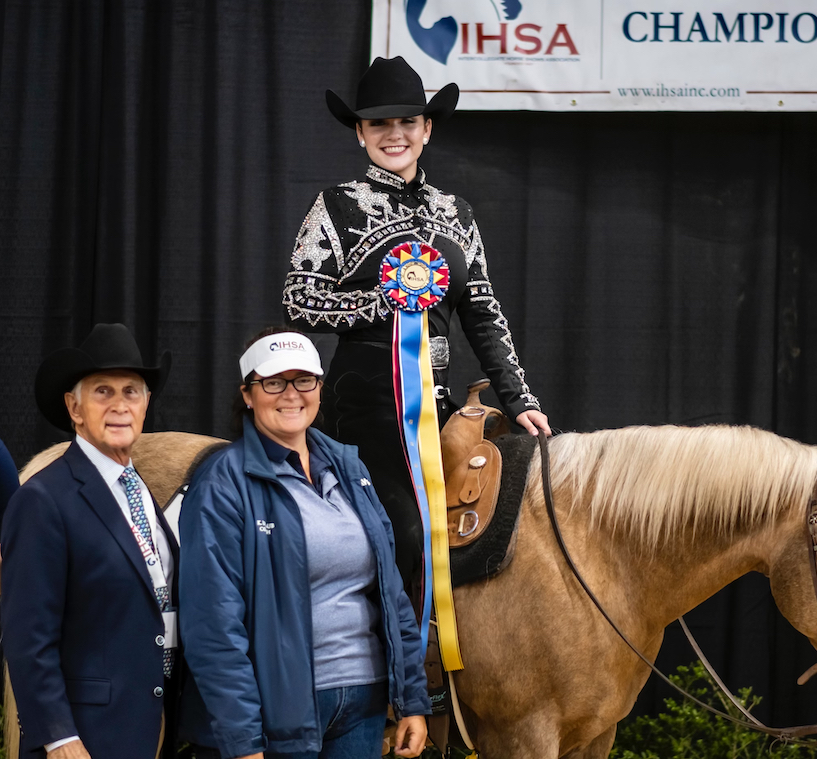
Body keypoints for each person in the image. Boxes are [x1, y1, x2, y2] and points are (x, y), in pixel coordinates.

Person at [282, 56, 550, 591]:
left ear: (427, 129)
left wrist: (520, 401)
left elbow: (483, 315)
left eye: (407, 121)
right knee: (406, 533)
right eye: (379, 123)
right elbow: (299, 300)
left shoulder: (458, 214)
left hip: (438, 409)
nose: (394, 134)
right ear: (360, 133)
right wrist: (385, 301)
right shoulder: (337, 207)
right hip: (361, 414)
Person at [178, 328, 430, 759]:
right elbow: (212, 623)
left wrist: (411, 700)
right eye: (273, 382)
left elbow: (390, 594)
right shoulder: (223, 482)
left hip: (363, 706)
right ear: (248, 394)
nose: (290, 394)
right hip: (277, 713)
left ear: (319, 387)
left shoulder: (351, 470)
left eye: (303, 380)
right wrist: (242, 739)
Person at [1, 323, 178, 759]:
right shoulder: (42, 500)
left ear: (146, 403)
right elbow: (27, 636)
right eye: (103, 392)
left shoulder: (139, 490)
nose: (120, 405)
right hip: (85, 739)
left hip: (149, 726)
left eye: (131, 392)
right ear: (74, 408)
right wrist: (58, 738)